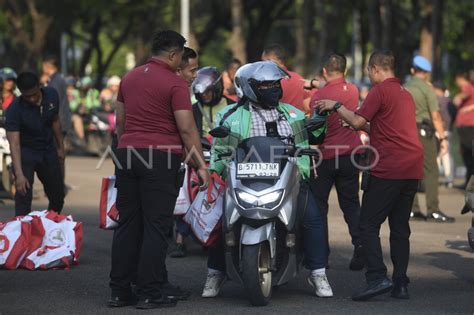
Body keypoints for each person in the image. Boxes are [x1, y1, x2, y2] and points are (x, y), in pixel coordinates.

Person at [202, 61, 333, 299]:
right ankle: (215, 272)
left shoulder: (292, 114)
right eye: (265, 85)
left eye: (275, 83)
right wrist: (215, 172)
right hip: (243, 181)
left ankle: (318, 272)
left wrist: (320, 118)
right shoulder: (229, 116)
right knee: (222, 221)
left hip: (288, 178)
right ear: (250, 87)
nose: (272, 88)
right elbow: (221, 150)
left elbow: (314, 134)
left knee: (313, 218)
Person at [109, 30, 210, 310]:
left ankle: (119, 290)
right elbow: (187, 129)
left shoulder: (128, 78)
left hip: (127, 154)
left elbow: (121, 123)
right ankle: (150, 292)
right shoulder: (174, 84)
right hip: (160, 157)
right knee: (156, 226)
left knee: (128, 223)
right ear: (174, 55)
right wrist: (200, 166)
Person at [316, 50, 424, 301]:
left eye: (368, 70)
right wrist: (359, 122)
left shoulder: (380, 91)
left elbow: (354, 122)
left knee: (367, 224)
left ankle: (376, 277)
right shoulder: (404, 94)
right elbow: (379, 127)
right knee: (400, 227)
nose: (368, 74)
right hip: (411, 167)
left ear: (375, 68)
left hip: (390, 167)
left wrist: (337, 106)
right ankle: (400, 284)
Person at [309, 53, 364, 270]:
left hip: (325, 157)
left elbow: (315, 130)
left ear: (324, 71)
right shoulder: (353, 90)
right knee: (351, 204)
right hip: (350, 155)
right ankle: (360, 244)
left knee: (319, 208)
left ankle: (322, 255)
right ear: (346, 70)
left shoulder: (319, 96)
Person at [5, 72, 65, 216]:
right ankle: (22, 229)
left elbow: (55, 121)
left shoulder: (51, 94)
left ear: (39, 86)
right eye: (27, 96)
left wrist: (61, 148)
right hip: (26, 152)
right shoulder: (14, 109)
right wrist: (19, 174)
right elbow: (14, 144)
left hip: (48, 149)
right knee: (23, 193)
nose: (32, 99)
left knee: (57, 195)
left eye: (34, 94)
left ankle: (50, 224)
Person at [404, 56, 454, 222]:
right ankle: (433, 209)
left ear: (412, 70)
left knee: (410, 170)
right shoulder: (428, 89)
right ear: (426, 73)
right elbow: (435, 115)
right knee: (431, 170)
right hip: (424, 133)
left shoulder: (404, 87)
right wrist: (443, 138)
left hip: (406, 132)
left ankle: (412, 209)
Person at [170, 46, 200, 258]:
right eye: (192, 70)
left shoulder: (138, 79)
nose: (195, 75)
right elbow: (187, 130)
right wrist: (201, 165)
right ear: (178, 69)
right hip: (168, 159)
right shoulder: (177, 89)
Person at [42, 55, 73, 191]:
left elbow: (52, 103)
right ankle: (59, 183)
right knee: (58, 153)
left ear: (48, 67)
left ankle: (59, 184)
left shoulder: (55, 81)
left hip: (58, 121)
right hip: (62, 120)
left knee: (57, 154)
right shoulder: (58, 79)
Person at [262, 44, 311, 114]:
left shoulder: (266, 82)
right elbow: (307, 107)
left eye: (262, 62)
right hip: (296, 121)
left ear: (268, 61)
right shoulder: (299, 78)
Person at [191, 67, 232, 137]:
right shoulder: (194, 109)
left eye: (207, 91)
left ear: (216, 88)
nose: (204, 95)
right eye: (201, 92)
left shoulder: (232, 106)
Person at [453, 72, 474, 189]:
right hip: (465, 128)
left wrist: (458, 97)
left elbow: (467, 93)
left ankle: (469, 184)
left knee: (469, 155)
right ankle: (468, 182)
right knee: (467, 155)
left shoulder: (467, 87)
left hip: (469, 127)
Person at [433, 81, 455, 188]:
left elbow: (435, 116)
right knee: (447, 155)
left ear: (437, 90)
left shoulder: (437, 101)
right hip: (448, 130)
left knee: (437, 155)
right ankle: (449, 179)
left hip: (439, 131)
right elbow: (454, 114)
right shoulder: (449, 101)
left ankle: (435, 178)